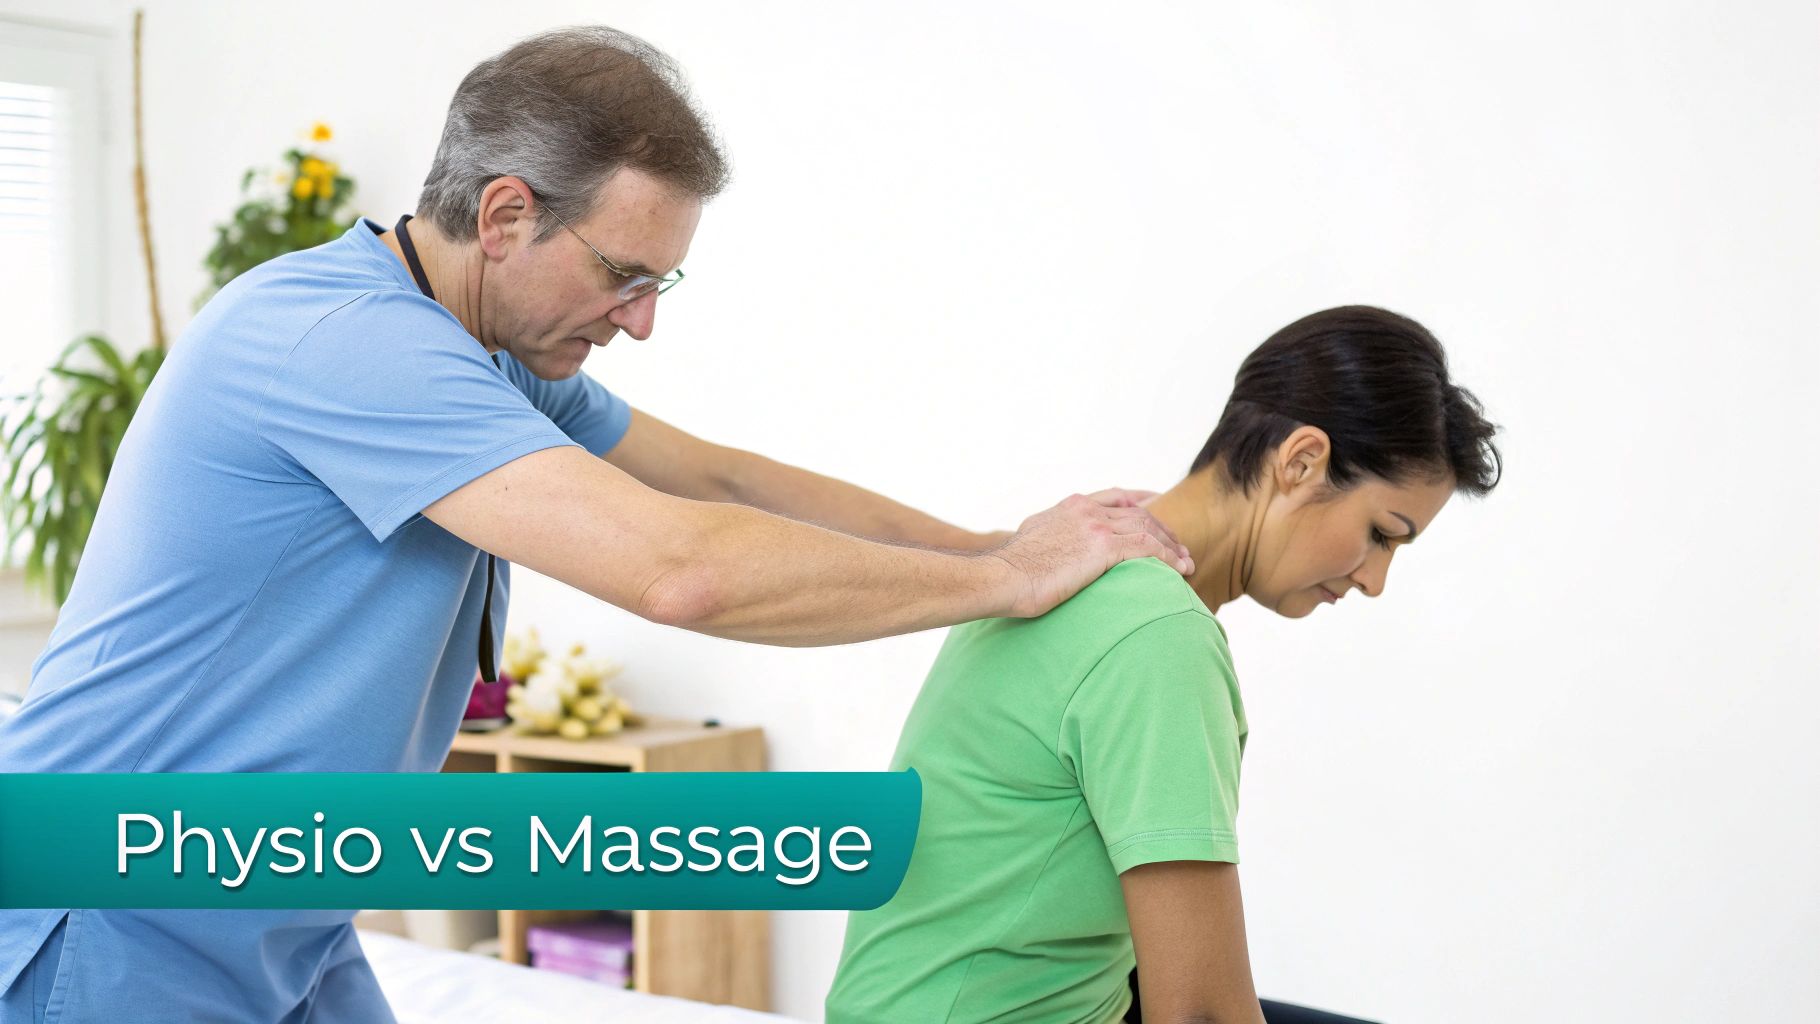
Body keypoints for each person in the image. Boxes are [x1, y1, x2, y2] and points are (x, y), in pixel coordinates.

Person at [0, 26, 1191, 1023]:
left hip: (285, 905)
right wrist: (1010, 585)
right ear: (505, 214)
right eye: (626, 274)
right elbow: (682, 571)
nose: (639, 321)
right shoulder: (345, 341)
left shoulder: (486, 354)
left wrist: (993, 541)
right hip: (111, 904)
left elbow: (714, 486)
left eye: (659, 285)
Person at [826, 306, 1502, 1024]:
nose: (1375, 580)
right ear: (1300, 462)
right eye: (1381, 534)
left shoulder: (1067, 560)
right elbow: (1199, 1015)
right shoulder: (1158, 633)